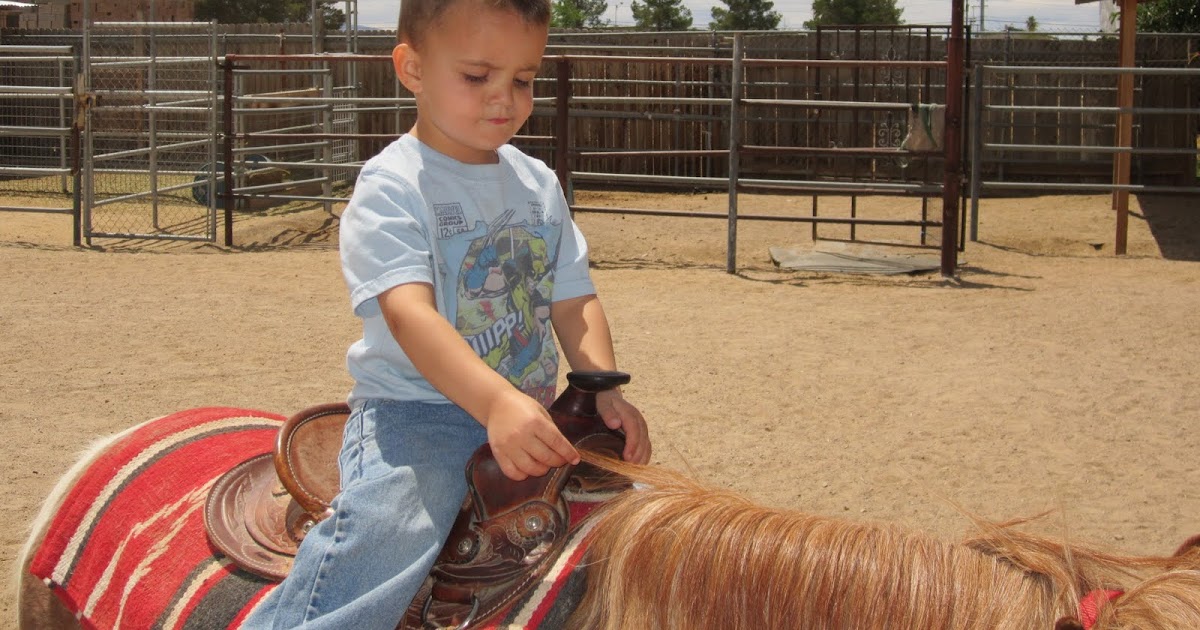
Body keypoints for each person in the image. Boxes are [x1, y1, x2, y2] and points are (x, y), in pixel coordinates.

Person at [244, 0, 651, 627]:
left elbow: (572, 295)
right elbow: (411, 317)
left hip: (532, 411)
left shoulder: (538, 183)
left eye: (523, 79)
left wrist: (599, 387)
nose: (505, 98)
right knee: (394, 528)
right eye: (476, 76)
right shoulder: (393, 187)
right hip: (421, 414)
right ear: (411, 68)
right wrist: (493, 402)